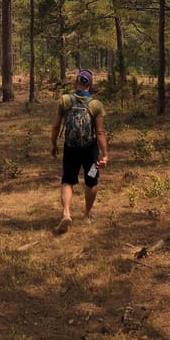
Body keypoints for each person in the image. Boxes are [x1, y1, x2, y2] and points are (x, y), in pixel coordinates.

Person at [50, 68, 109, 233]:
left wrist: (54, 144)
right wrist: (104, 155)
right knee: (91, 180)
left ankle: (66, 212)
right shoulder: (95, 104)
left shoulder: (65, 100)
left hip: (71, 150)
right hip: (90, 152)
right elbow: (100, 132)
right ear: (90, 84)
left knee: (68, 180)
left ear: (76, 82)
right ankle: (87, 215)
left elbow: (56, 125)